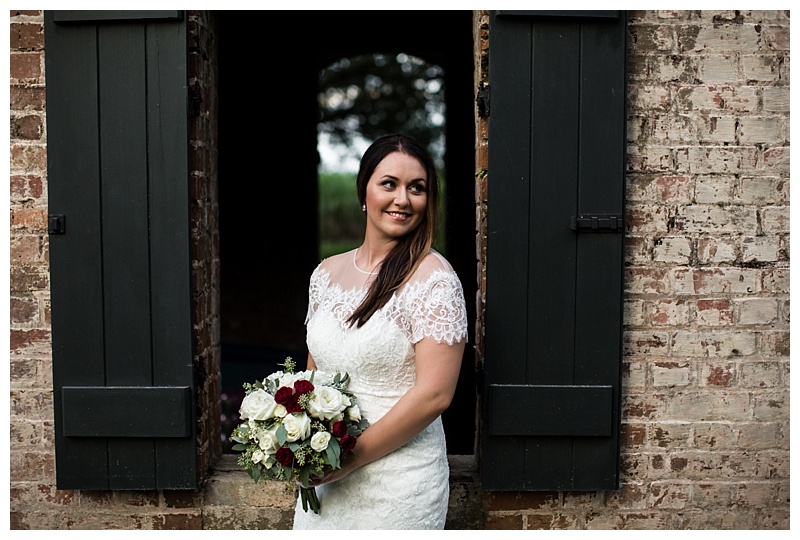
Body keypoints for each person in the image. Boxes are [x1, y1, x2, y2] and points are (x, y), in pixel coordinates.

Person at [292, 134, 468, 530]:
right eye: (389, 184)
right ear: (364, 190)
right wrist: (296, 441)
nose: (403, 200)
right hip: (326, 479)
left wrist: (349, 459)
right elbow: (313, 377)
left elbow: (434, 395)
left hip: (398, 485)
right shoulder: (325, 274)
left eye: (416, 188)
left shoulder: (433, 279)